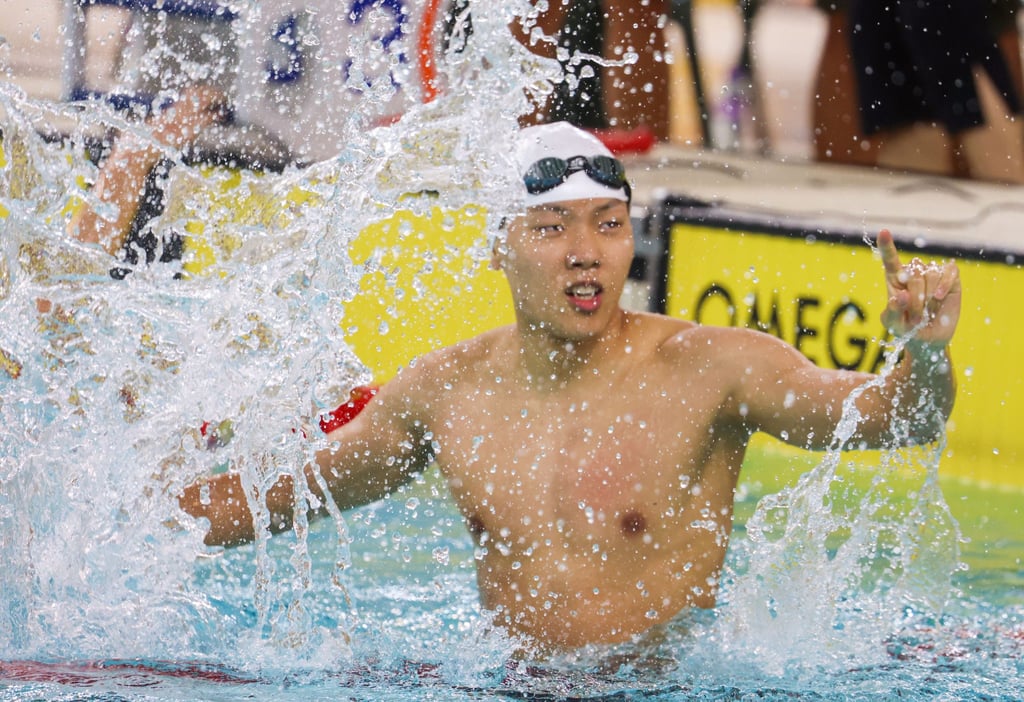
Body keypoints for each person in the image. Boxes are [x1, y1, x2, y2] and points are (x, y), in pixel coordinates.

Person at [179, 121, 961, 655]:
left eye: (608, 223)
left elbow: (898, 420)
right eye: (551, 228)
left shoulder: (710, 369)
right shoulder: (444, 393)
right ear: (498, 245)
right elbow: (278, 499)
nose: (586, 253)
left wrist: (924, 356)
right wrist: (123, 507)